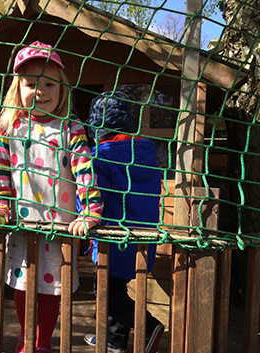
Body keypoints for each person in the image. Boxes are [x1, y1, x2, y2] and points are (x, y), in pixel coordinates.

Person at [0, 41, 103, 353]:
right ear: (17, 88)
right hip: (23, 225)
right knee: (24, 285)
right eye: (30, 84)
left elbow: (85, 172)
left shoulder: (71, 129)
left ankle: (42, 343)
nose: (40, 91)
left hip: (59, 228)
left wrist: (90, 211)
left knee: (53, 288)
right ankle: (27, 340)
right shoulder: (9, 127)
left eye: (49, 83)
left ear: (62, 89)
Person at [82, 91, 164, 353]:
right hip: (143, 239)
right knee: (118, 288)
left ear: (97, 130)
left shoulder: (100, 157)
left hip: (114, 238)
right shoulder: (147, 155)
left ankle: (149, 325)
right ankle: (114, 340)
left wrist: (83, 213)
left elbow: (96, 196)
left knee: (105, 292)